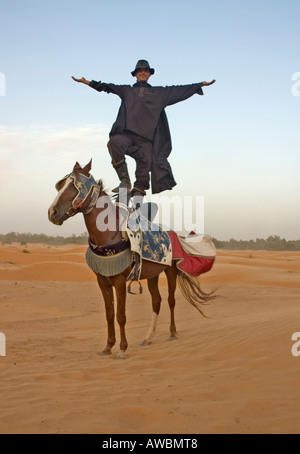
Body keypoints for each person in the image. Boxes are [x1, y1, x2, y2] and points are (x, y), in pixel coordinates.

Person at [72, 60, 215, 198]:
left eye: (145, 71)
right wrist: (87, 82)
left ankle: (138, 206)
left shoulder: (160, 94)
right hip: (127, 135)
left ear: (149, 74)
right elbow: (108, 87)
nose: (142, 73)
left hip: (146, 141)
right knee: (114, 142)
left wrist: (198, 85)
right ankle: (125, 181)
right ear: (135, 74)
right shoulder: (126, 90)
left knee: (145, 169)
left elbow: (178, 90)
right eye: (139, 71)